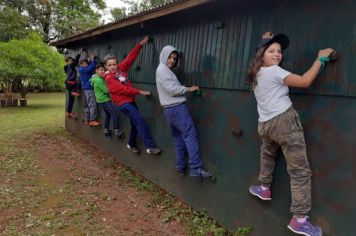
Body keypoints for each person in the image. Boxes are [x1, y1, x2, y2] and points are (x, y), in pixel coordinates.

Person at [247, 31, 334, 236]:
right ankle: (300, 219)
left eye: (279, 51)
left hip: (265, 124)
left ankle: (264, 187)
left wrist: (266, 39)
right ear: (261, 54)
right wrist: (320, 59)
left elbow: (265, 58)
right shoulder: (275, 72)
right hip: (284, 122)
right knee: (300, 171)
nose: (277, 54)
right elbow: (304, 81)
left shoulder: (255, 74)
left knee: (268, 153)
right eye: (271, 51)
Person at [155, 45, 214, 178]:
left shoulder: (164, 70)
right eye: (170, 57)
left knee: (178, 139)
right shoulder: (163, 70)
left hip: (168, 110)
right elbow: (172, 89)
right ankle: (195, 168)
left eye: (174, 58)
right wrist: (188, 89)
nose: (172, 60)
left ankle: (180, 166)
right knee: (190, 135)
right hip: (176, 108)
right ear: (164, 55)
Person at [104, 36, 161, 155]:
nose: (113, 66)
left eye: (114, 64)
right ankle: (150, 147)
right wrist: (140, 92)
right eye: (110, 65)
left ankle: (131, 144)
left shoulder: (120, 70)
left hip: (130, 101)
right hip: (123, 104)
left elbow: (130, 58)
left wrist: (140, 44)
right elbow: (123, 89)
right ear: (106, 67)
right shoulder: (109, 78)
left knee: (135, 123)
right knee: (140, 121)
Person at [90, 63, 125, 138]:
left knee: (108, 115)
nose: (103, 71)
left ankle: (106, 130)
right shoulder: (98, 80)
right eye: (101, 70)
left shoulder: (97, 78)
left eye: (104, 70)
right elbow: (106, 91)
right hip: (104, 100)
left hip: (102, 100)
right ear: (96, 71)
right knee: (115, 113)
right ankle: (117, 130)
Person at [78, 52, 99, 126]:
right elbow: (90, 67)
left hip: (85, 89)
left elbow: (89, 67)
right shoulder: (81, 69)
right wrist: (94, 60)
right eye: (84, 63)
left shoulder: (83, 69)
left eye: (86, 63)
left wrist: (90, 59)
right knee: (92, 104)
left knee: (87, 105)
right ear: (80, 64)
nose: (86, 65)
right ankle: (92, 120)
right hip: (89, 89)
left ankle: (87, 120)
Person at [64, 50, 81, 118]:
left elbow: (75, 64)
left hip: (68, 83)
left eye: (71, 61)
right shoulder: (70, 66)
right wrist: (79, 54)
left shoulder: (68, 67)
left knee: (71, 99)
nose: (71, 62)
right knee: (79, 83)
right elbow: (75, 62)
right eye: (69, 61)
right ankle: (73, 91)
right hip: (70, 83)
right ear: (67, 62)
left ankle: (68, 112)